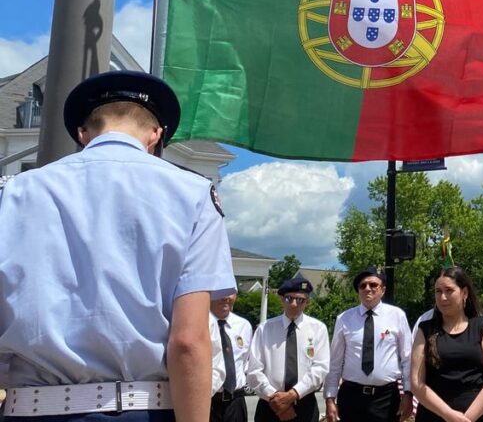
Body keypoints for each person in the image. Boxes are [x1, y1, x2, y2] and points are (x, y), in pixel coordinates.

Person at [0, 70, 236, 422]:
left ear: (82, 133)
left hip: (31, 410)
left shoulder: (13, 193)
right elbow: (188, 342)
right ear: (156, 135)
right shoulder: (194, 195)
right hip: (142, 410)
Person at [410, 267, 483, 422]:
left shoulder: (482, 327)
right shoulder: (424, 330)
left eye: (449, 291)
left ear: (464, 293)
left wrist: (466, 419)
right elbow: (416, 383)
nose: (443, 297)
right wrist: (448, 415)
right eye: (438, 291)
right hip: (433, 416)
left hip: (475, 417)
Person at [324, 266, 413, 422]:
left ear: (383, 290)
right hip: (351, 397)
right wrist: (330, 399)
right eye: (362, 286)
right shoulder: (344, 319)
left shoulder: (397, 316)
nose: (367, 289)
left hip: (386, 398)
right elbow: (335, 363)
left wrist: (408, 393)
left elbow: (408, 358)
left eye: (373, 285)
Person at [247, 278, 329, 422]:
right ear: (281, 299)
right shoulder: (265, 329)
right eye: (289, 298)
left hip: (304, 404)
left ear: (308, 302)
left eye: (300, 300)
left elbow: (320, 368)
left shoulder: (318, 329)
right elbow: (254, 370)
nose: (293, 304)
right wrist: (276, 399)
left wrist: (294, 394)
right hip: (270, 404)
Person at [210, 293, 253, 422]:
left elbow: (244, 361)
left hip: (236, 402)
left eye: (231, 292)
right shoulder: (199, 324)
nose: (226, 297)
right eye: (221, 291)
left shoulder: (244, 326)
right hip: (208, 402)